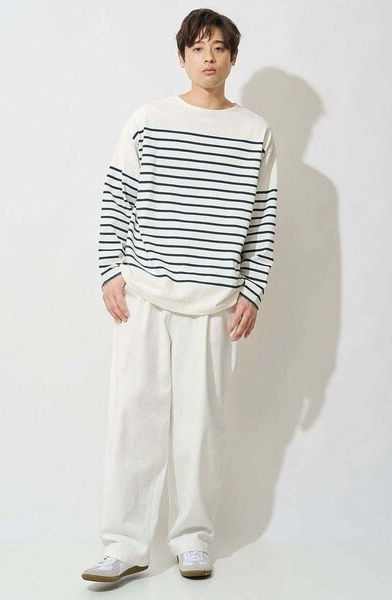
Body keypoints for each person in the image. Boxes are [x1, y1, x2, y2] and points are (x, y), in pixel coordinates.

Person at [82, 8, 278, 583]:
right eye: (198, 48)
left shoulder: (256, 131)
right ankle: (125, 544)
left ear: (233, 58)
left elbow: (263, 218)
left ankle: (193, 539)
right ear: (182, 56)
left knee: (201, 427)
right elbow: (117, 195)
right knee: (133, 421)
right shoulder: (149, 119)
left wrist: (252, 290)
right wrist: (110, 272)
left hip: (215, 303)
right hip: (145, 294)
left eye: (219, 47)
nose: (208, 57)